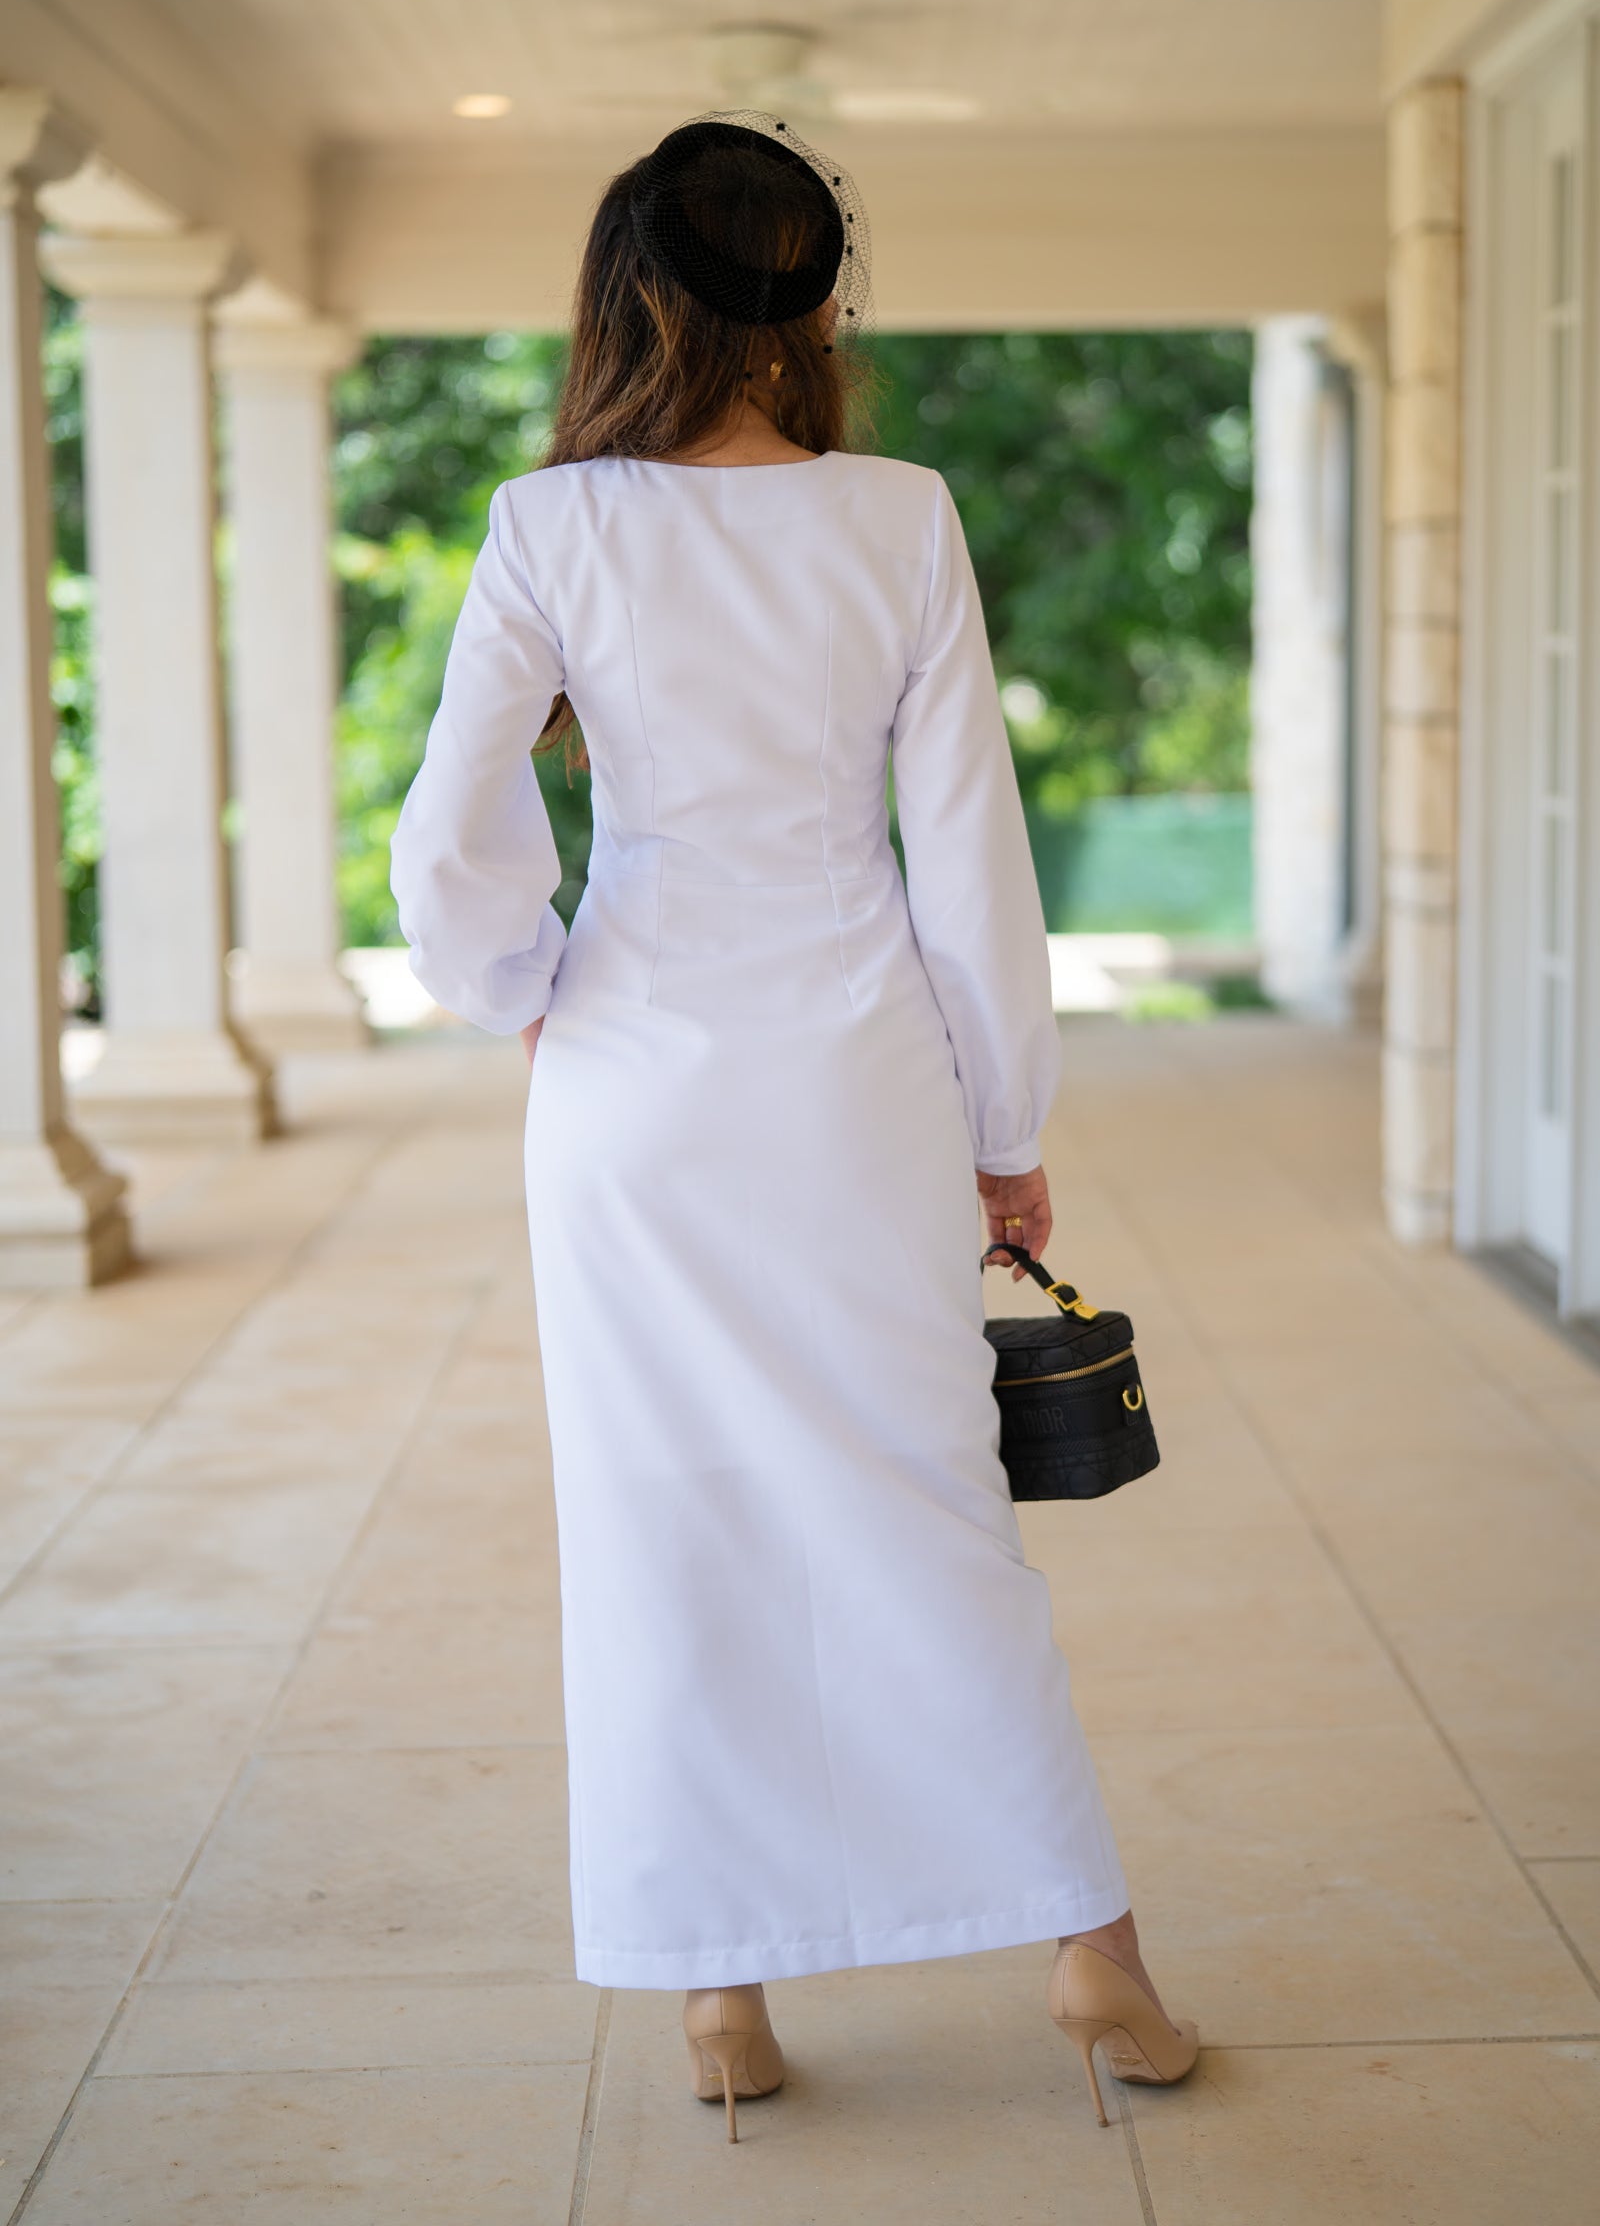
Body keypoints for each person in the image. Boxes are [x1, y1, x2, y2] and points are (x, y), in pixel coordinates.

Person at [390, 113, 1197, 2143]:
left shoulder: (544, 522)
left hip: (635, 1082)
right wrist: (1003, 1118)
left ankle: (717, 1996)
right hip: (857, 1075)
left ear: (628, 293)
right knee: (929, 1501)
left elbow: (440, 842)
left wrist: (522, 993)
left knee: (664, 1514)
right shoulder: (900, 515)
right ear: (816, 297)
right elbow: (967, 856)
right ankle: (1089, 1947)